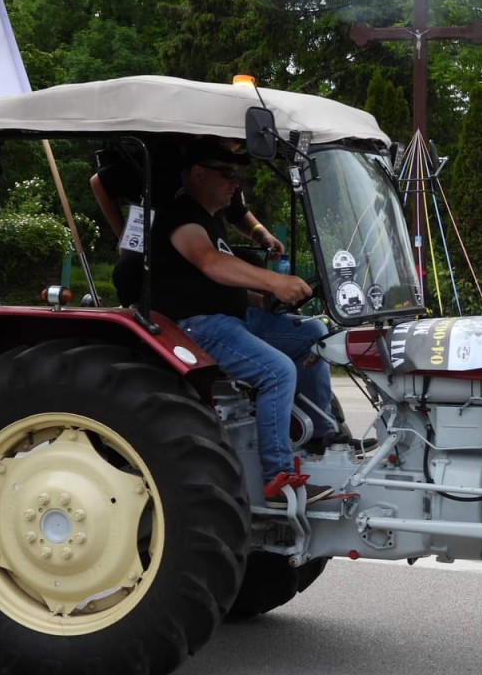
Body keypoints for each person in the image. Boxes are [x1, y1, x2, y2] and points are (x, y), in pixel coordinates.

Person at [150, 136, 336, 507]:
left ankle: (321, 439)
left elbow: (214, 284)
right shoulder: (181, 217)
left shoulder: (211, 217)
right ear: (199, 174)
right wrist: (275, 282)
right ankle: (279, 482)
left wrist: (263, 299)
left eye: (237, 176)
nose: (236, 183)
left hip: (231, 317)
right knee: (278, 371)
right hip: (196, 327)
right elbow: (211, 264)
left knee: (314, 333)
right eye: (227, 174)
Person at [90, 136, 286, 305]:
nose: (233, 182)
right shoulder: (160, 157)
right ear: (197, 174)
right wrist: (124, 234)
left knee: (250, 261)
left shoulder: (222, 175)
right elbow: (100, 182)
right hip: (163, 251)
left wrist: (261, 233)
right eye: (227, 141)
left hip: (200, 247)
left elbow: (237, 211)